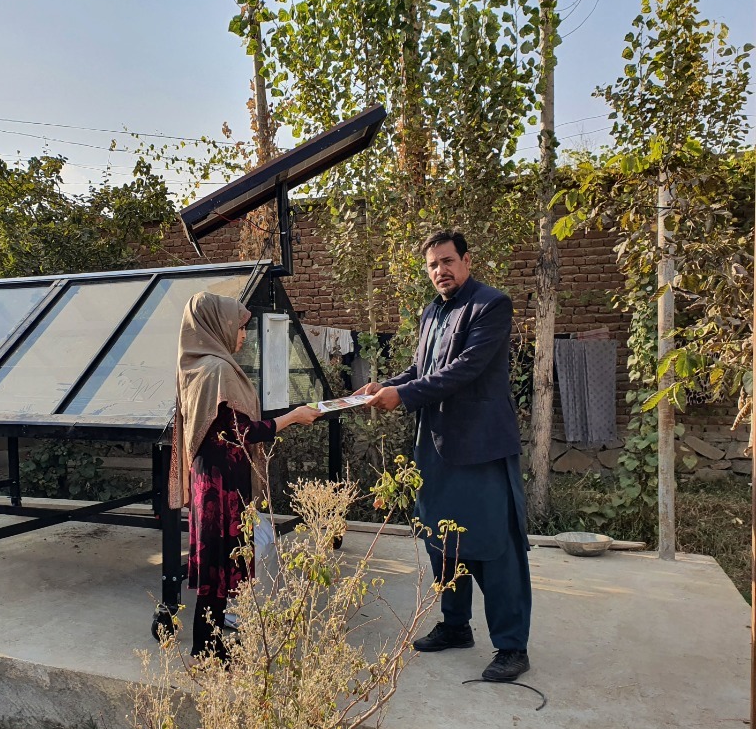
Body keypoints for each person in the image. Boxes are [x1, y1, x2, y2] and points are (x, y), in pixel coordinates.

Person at [355, 230, 532, 683]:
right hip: (434, 448)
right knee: (442, 541)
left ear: (467, 261)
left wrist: (404, 395)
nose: (441, 271)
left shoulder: (491, 305)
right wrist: (385, 385)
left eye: (448, 261)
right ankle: (455, 626)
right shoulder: (430, 311)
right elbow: (422, 369)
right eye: (433, 265)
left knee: (494, 547)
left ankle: (512, 647)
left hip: (481, 450)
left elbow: (465, 370)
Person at [170, 291, 324, 660]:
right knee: (220, 562)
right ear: (217, 325)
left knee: (218, 563)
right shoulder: (218, 370)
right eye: (239, 329)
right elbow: (241, 433)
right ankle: (205, 649)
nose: (243, 337)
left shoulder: (195, 365)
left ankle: (209, 643)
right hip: (221, 481)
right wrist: (292, 417)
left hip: (211, 476)